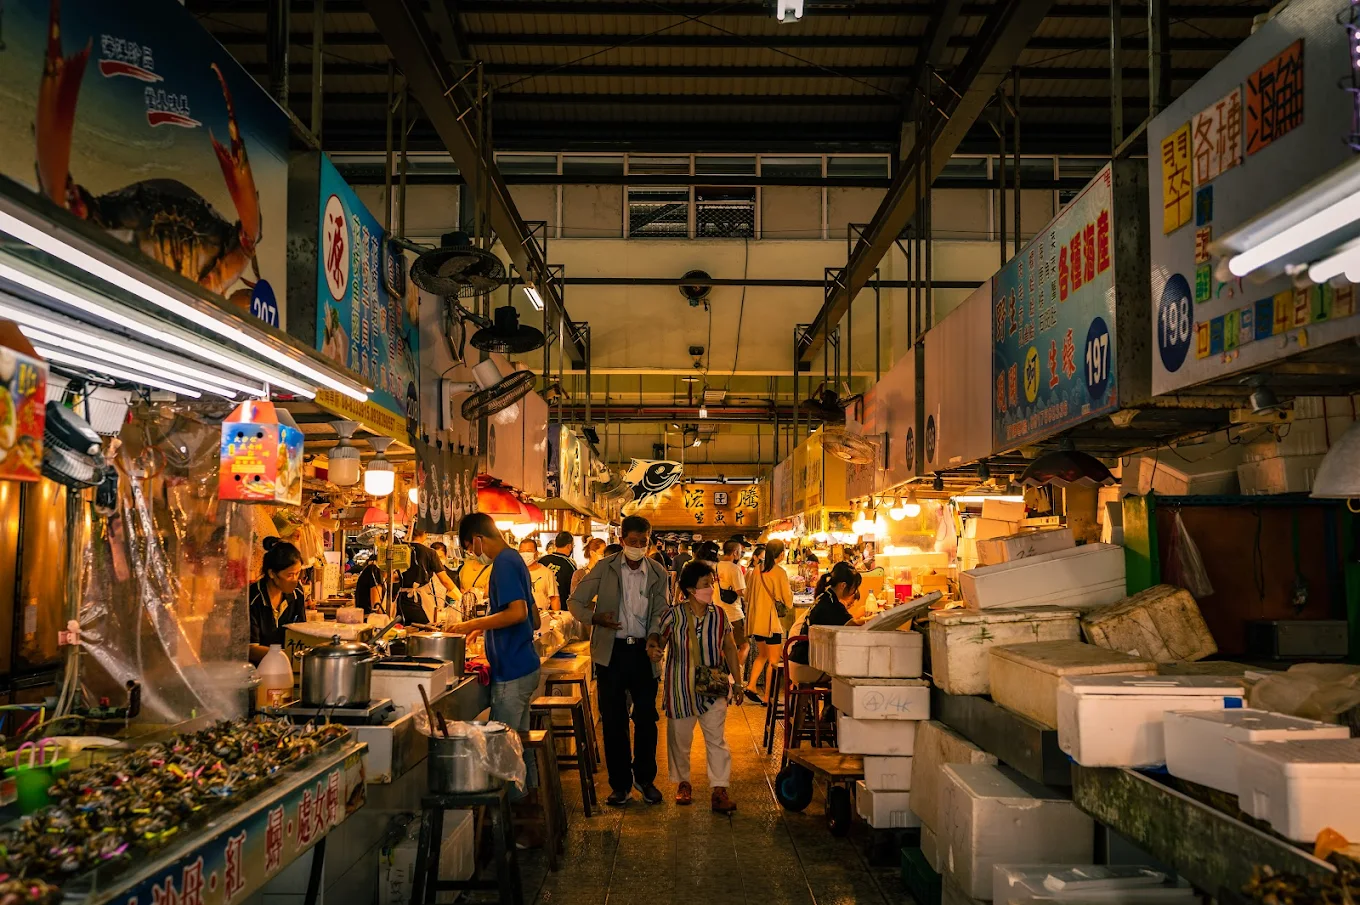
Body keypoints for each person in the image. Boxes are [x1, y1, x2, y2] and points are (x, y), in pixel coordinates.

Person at [568, 514, 671, 808]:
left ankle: (645, 779)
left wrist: (654, 636)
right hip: (610, 653)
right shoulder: (605, 567)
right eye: (633, 541)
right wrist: (595, 618)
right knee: (613, 720)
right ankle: (620, 785)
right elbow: (575, 602)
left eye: (644, 542)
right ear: (622, 540)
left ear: (650, 541)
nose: (638, 547)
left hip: (643, 652)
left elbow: (661, 610)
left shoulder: (658, 573)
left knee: (646, 719)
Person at [448, 513, 542, 799]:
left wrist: (472, 624)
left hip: (512, 671)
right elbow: (535, 618)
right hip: (524, 665)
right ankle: (532, 804)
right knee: (519, 743)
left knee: (504, 751)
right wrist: (488, 627)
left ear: (477, 539)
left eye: (469, 547)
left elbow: (519, 613)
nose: (472, 554)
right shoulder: (515, 559)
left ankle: (513, 820)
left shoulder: (503, 563)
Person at [653, 561, 743, 813]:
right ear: (691, 589)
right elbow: (659, 640)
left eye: (711, 583)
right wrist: (655, 650)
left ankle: (719, 789)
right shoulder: (673, 615)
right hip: (680, 687)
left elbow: (730, 648)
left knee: (717, 740)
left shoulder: (720, 615)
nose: (711, 588)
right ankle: (683, 783)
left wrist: (738, 682)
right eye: (706, 584)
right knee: (679, 740)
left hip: (713, 686)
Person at [787, 562, 865, 685]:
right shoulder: (832, 604)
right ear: (843, 585)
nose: (855, 591)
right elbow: (852, 627)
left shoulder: (825, 596)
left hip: (797, 661)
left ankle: (832, 704)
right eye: (854, 587)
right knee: (848, 671)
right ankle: (836, 704)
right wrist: (873, 620)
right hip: (805, 666)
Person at [744, 539, 795, 705]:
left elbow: (747, 595)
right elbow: (787, 599)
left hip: (756, 621)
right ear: (781, 553)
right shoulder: (779, 572)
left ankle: (751, 686)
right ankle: (767, 698)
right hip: (771, 622)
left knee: (763, 655)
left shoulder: (756, 570)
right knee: (773, 661)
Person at [248, 537, 308, 664]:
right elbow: (251, 649)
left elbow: (301, 633)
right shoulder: (252, 598)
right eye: (290, 575)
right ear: (272, 574)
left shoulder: (297, 593)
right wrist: (284, 655)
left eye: (298, 574)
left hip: (287, 667)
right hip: (257, 670)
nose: (295, 579)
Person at [399, 528, 458, 626]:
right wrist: (459, 597)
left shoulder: (399, 549)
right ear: (424, 533)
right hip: (417, 603)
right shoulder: (429, 552)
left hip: (398, 602)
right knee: (422, 631)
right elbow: (445, 580)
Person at [715, 540, 749, 677]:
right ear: (735, 552)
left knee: (724, 647)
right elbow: (741, 591)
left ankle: (723, 675)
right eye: (740, 552)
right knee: (744, 646)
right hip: (733, 613)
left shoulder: (715, 567)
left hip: (717, 612)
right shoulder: (734, 569)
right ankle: (733, 677)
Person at [538, 532, 578, 608]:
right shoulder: (569, 565)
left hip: (540, 607)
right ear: (570, 546)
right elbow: (574, 590)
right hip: (561, 608)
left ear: (555, 544)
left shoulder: (542, 560)